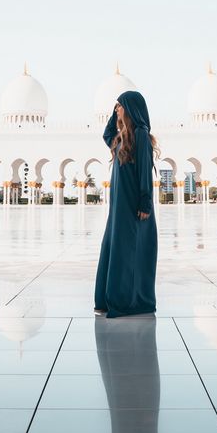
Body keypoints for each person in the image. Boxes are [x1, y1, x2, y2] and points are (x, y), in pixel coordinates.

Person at [94, 90, 159, 318]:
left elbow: (144, 173)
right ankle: (106, 300)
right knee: (114, 249)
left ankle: (127, 301)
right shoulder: (121, 138)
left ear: (131, 109)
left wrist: (145, 202)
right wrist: (114, 115)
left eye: (120, 106)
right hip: (118, 207)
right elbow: (106, 134)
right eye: (116, 106)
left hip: (132, 205)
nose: (117, 109)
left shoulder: (141, 135)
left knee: (129, 252)